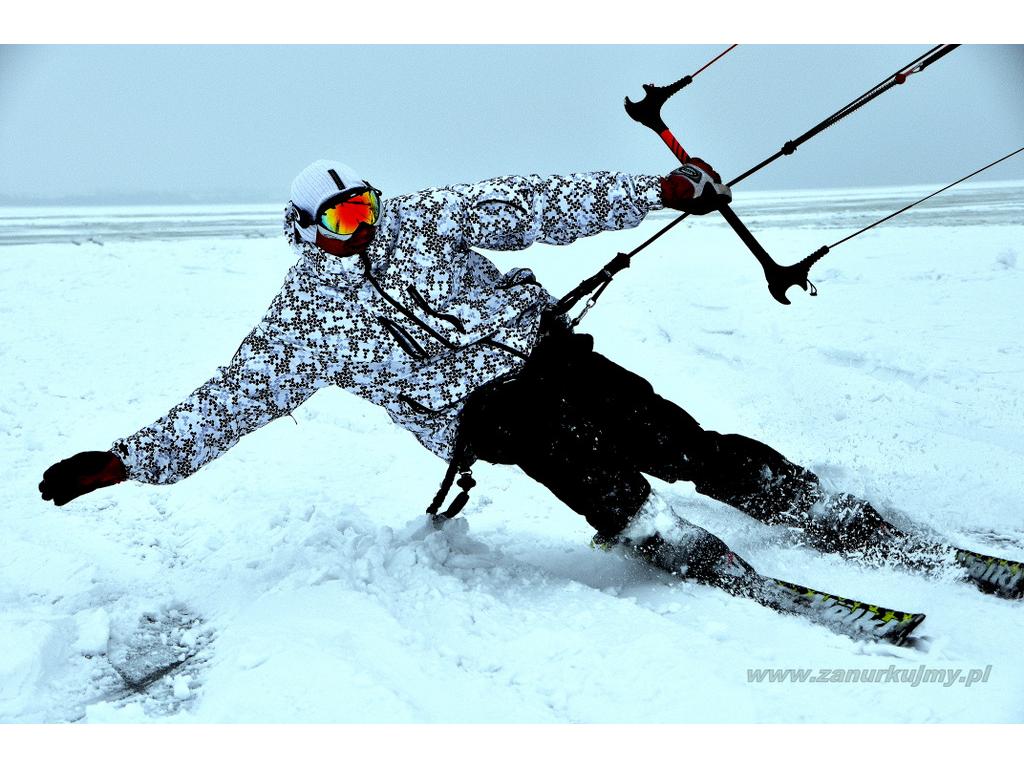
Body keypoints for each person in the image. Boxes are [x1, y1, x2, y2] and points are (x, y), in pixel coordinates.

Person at [37, 159, 1018, 600]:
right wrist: (129, 460)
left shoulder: (424, 218)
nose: (364, 226)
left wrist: (653, 191)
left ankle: (827, 516)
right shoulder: (308, 315)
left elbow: (536, 199)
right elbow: (236, 398)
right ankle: (667, 544)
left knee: (683, 444)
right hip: (481, 416)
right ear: (306, 230)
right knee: (593, 472)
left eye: (366, 206)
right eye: (340, 222)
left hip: (553, 357)